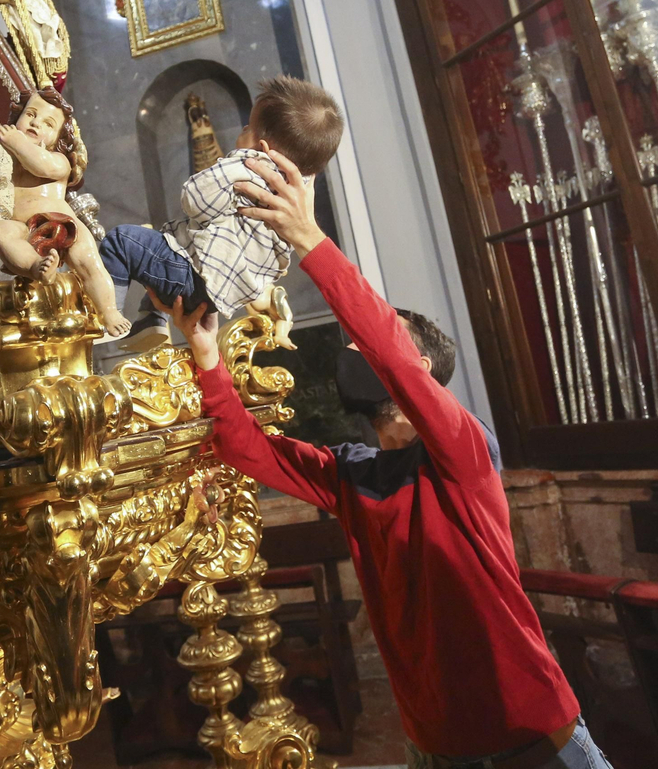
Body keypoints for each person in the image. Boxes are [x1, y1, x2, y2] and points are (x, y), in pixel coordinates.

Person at [159, 147, 610, 769]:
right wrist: (205, 351)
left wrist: (309, 238)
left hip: (531, 731)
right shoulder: (354, 473)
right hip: (433, 740)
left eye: (369, 342)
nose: (352, 348)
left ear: (418, 370)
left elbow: (387, 350)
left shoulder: (463, 452)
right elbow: (246, 449)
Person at [98, 76, 343, 351]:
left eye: (249, 126)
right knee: (159, 249)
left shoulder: (250, 167)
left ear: (261, 147)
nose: (243, 128)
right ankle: (151, 320)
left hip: (194, 275)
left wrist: (236, 156)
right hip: (216, 294)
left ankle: (108, 314)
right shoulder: (297, 189)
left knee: (123, 241)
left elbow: (195, 201)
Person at [0, 87, 129, 336]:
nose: (35, 123)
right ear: (17, 118)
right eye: (30, 115)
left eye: (47, 124)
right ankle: (38, 266)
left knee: (89, 265)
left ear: (58, 140)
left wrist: (16, 141)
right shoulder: (8, 159)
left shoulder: (59, 161)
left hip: (62, 226)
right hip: (22, 227)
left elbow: (38, 163)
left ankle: (109, 310)